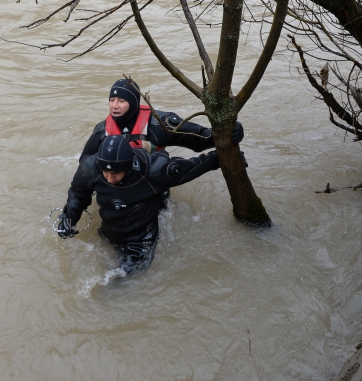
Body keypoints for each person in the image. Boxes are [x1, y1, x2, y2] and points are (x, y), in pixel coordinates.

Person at [57, 135, 222, 275]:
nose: (109, 179)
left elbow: (194, 166)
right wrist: (69, 216)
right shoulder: (91, 167)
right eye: (105, 172)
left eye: (115, 173)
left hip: (140, 240)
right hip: (108, 233)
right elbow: (78, 193)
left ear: (128, 166)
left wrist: (222, 154)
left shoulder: (153, 171)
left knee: (124, 284)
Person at [79, 78, 244, 162]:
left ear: (134, 103)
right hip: (117, 188)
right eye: (112, 100)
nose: (114, 106)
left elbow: (200, 139)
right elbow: (85, 161)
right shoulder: (103, 130)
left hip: (153, 186)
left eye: (121, 101)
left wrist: (229, 132)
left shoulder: (159, 124)